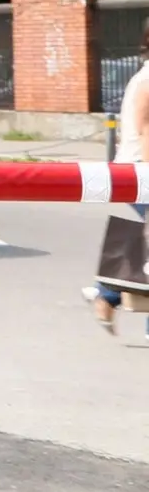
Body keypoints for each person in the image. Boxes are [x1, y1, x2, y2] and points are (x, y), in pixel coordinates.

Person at [86, 22, 149, 331]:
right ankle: (107, 295)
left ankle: (107, 294)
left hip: (136, 171)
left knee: (146, 242)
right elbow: (147, 129)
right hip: (140, 172)